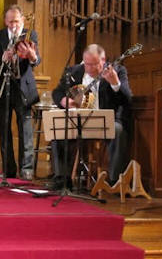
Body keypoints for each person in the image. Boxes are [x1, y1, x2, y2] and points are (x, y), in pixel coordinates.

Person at [51, 43, 132, 186]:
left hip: (107, 121)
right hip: (79, 120)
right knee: (58, 129)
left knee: (118, 131)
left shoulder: (118, 70)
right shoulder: (73, 71)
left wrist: (115, 84)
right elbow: (57, 92)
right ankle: (62, 179)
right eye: (86, 64)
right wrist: (64, 100)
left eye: (94, 64)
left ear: (103, 59)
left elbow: (128, 99)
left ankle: (115, 181)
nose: (89, 69)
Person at [0, 4, 41, 180]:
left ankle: (26, 169)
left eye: (16, 21)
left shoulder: (31, 34)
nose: (13, 25)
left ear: (22, 21)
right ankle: (8, 168)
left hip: (23, 88)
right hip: (4, 87)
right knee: (4, 130)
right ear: (5, 21)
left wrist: (31, 55)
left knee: (26, 130)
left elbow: (37, 61)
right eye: (10, 21)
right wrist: (2, 58)